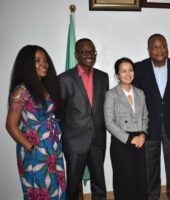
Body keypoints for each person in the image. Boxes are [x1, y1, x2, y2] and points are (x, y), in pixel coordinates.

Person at [5, 45, 66, 199]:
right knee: (40, 192)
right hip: (35, 151)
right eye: (37, 61)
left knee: (56, 190)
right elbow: (11, 125)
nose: (44, 64)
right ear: (26, 65)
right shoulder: (22, 91)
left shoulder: (45, 87)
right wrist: (31, 148)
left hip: (52, 147)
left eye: (45, 60)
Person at [133, 33, 170, 200]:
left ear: (167, 47)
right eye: (155, 47)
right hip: (149, 127)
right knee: (150, 167)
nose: (159, 50)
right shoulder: (139, 68)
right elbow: (135, 100)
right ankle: (152, 196)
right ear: (149, 50)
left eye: (162, 46)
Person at [59, 38, 109, 200]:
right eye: (84, 51)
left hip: (97, 140)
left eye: (92, 51)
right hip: (75, 142)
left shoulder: (103, 77)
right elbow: (59, 112)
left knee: (99, 184)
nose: (89, 55)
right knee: (73, 186)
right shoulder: (64, 79)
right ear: (76, 54)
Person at [104, 57, 148, 200]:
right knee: (124, 179)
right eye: (123, 71)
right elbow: (109, 123)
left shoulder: (140, 93)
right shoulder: (111, 95)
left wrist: (143, 134)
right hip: (121, 142)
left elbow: (145, 117)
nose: (128, 74)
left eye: (130, 70)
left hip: (140, 141)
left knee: (140, 178)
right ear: (117, 75)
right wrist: (130, 138)